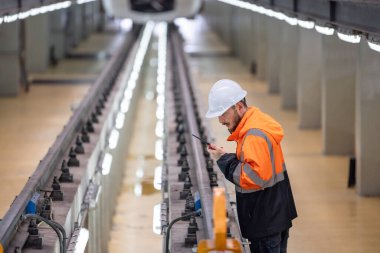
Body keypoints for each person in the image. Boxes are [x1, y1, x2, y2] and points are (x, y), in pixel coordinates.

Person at [205, 79, 297, 253]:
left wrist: (224, 161)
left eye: (223, 113)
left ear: (239, 107)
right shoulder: (257, 122)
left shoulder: (253, 134)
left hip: (264, 221)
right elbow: (259, 167)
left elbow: (252, 177)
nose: (220, 120)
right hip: (274, 214)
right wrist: (226, 156)